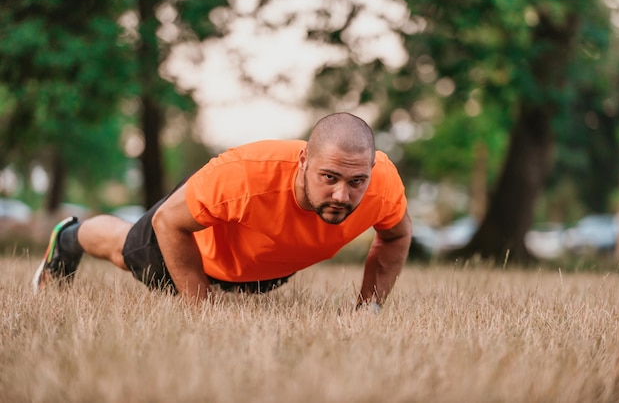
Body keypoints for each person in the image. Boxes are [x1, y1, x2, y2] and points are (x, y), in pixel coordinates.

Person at [32, 112, 412, 309]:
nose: (342, 195)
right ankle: (69, 237)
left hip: (257, 267)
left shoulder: (382, 184)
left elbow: (396, 236)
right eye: (329, 177)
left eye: (356, 182)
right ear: (303, 161)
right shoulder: (243, 177)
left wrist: (370, 308)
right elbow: (168, 222)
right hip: (192, 244)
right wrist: (201, 311)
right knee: (124, 250)